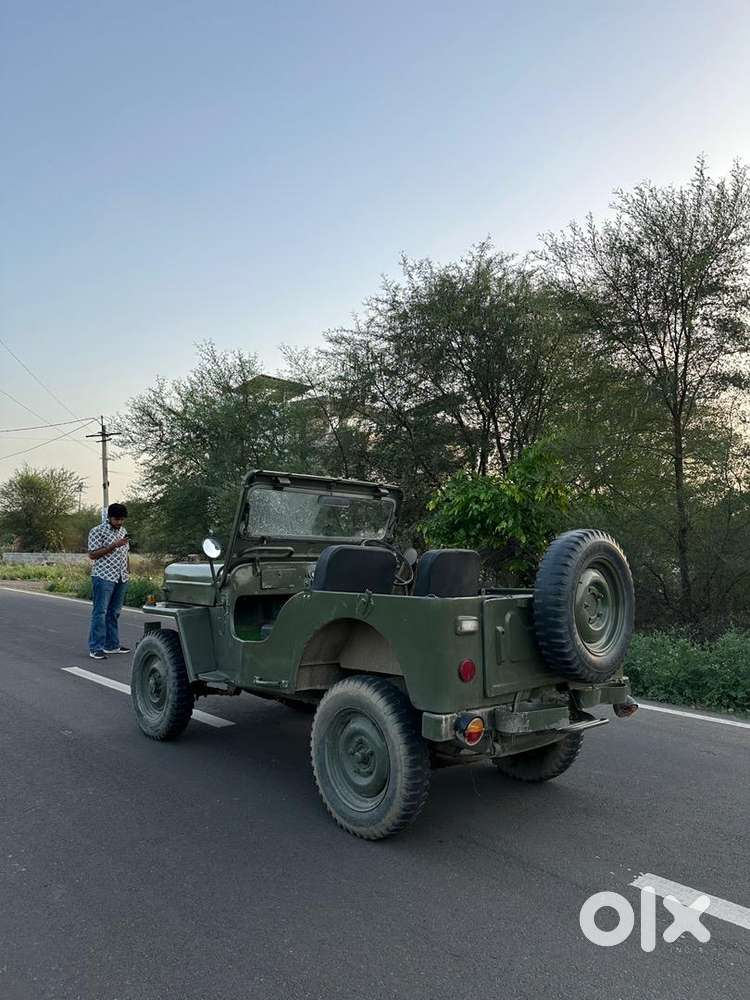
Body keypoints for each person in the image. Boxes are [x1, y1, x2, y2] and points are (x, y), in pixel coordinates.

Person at [87, 502, 131, 660]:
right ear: (109, 517)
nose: (119, 522)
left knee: (114, 612)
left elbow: (125, 553)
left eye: (122, 519)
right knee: (100, 612)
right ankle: (95, 647)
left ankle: (111, 645)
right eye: (116, 519)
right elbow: (92, 554)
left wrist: (127, 571)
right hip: (103, 576)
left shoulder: (123, 531)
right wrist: (113, 545)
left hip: (121, 576)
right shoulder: (97, 531)